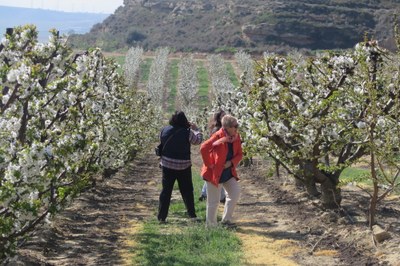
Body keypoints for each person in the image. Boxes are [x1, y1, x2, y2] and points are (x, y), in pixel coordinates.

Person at [157, 111, 203, 223]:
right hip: (183, 166)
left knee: (166, 191)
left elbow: (162, 143)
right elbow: (198, 141)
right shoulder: (187, 133)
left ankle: (161, 217)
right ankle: (192, 215)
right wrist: (196, 129)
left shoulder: (164, 130)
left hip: (167, 165)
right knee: (187, 191)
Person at [200, 114, 242, 227]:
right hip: (214, 173)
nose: (237, 128)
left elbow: (239, 154)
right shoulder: (218, 136)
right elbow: (203, 147)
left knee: (235, 193)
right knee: (213, 201)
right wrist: (209, 164)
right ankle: (211, 226)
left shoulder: (236, 138)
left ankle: (226, 220)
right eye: (235, 126)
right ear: (227, 128)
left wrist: (231, 162)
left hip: (228, 172)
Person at [199, 109, 226, 203]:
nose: (224, 117)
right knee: (216, 176)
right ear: (218, 118)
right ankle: (221, 197)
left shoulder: (219, 128)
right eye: (222, 116)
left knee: (211, 176)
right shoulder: (217, 130)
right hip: (215, 156)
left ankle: (204, 194)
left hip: (215, 155)